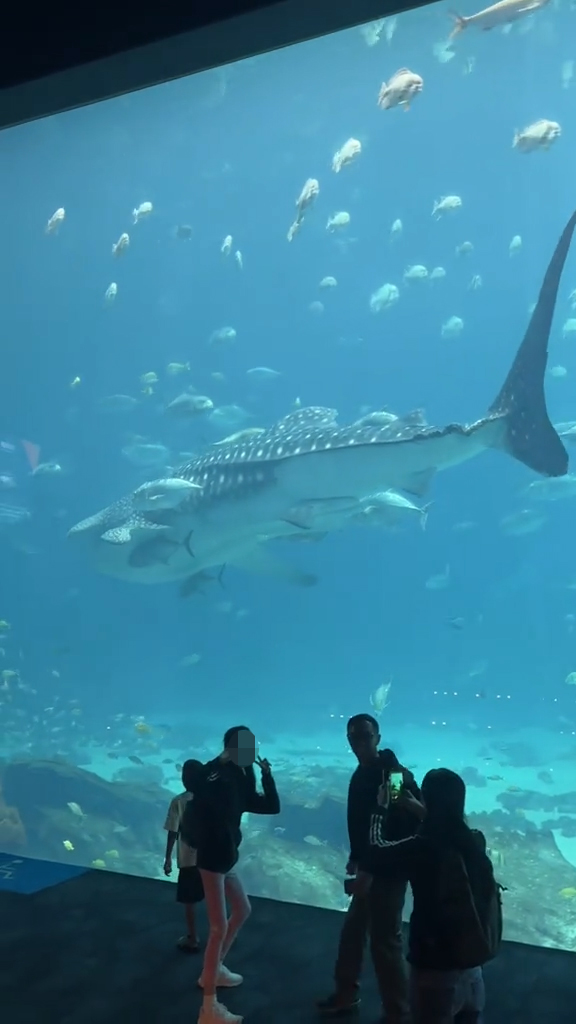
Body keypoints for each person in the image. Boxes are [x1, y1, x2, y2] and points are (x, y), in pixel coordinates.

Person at [352, 767, 502, 1024]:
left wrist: (380, 808)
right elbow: (449, 827)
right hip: (471, 971)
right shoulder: (474, 840)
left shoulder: (422, 848)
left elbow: (375, 851)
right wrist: (419, 809)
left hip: (436, 972)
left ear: (427, 798)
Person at [317, 713, 422, 1023]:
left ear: (378, 738)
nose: (359, 742)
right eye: (354, 737)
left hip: (388, 871)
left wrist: (370, 870)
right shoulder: (362, 773)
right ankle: (346, 994)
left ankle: (397, 1012)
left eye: (365, 736)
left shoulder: (393, 776)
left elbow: (398, 825)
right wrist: (356, 855)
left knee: (385, 942)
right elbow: (362, 820)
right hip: (370, 866)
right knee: (353, 934)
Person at [180, 724, 281, 1024]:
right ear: (230, 748)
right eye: (244, 746)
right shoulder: (217, 775)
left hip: (226, 858)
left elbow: (271, 806)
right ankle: (208, 1008)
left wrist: (266, 775)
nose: (251, 750)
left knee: (242, 909)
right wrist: (219, 761)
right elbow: (195, 781)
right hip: (212, 858)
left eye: (252, 745)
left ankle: (214, 970)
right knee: (217, 928)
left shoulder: (241, 777)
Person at [163, 758, 205, 952]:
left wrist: (168, 858)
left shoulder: (178, 801)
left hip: (189, 859)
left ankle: (193, 937)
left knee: (189, 900)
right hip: (212, 855)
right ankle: (223, 932)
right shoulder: (211, 798)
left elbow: (173, 831)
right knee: (216, 895)